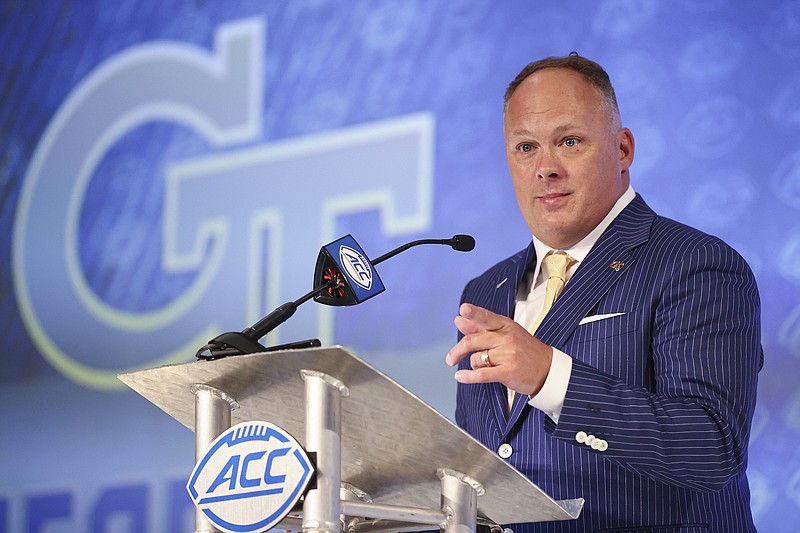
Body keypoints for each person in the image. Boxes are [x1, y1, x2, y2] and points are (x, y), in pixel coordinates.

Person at [445, 54, 762, 532]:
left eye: (569, 141)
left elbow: (711, 448)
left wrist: (552, 378)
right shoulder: (486, 289)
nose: (544, 168)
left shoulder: (696, 263)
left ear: (623, 149)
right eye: (525, 147)